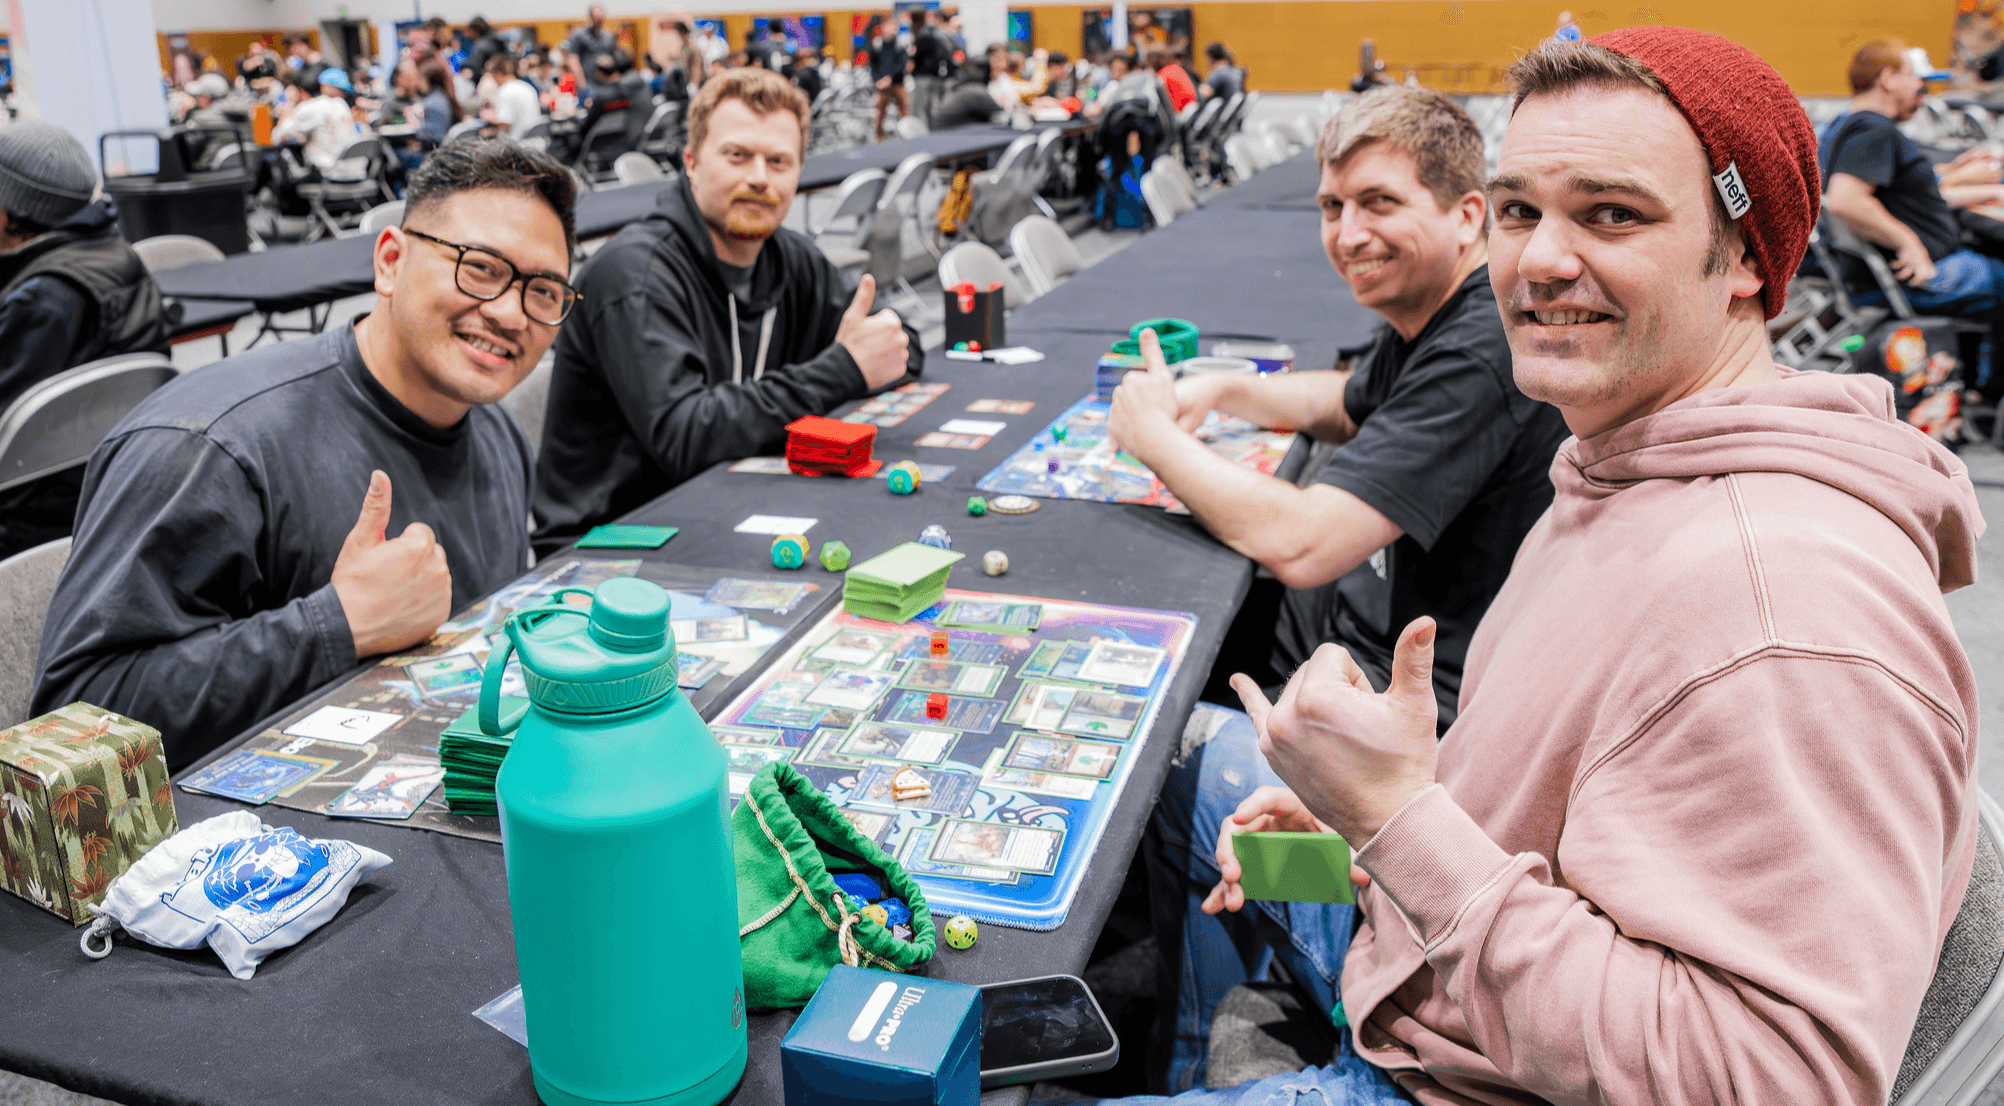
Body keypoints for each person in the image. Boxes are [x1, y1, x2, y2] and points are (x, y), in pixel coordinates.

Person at [1114, 28, 1982, 1106]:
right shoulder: (1618, 457)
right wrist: (1378, 821)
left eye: (1611, 213)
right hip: (1437, 954)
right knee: (1194, 778)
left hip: (1458, 1077)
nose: (1537, 260)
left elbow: (1773, 1080)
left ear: (1751, 256)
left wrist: (1400, 825)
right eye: (1521, 211)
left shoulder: (1783, 607)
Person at [1116, 85, 1567, 1091]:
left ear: (1468, 214)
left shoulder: (1481, 350)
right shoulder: (1441, 314)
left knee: (1176, 752)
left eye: (1376, 203)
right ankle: (1254, 991)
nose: (1346, 233)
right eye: (1331, 207)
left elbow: (1306, 540)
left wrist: (1149, 432)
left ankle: (1210, 1043)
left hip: (1445, 759)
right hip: (1424, 712)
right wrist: (1226, 388)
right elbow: (1347, 402)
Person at [33, 139, 579, 769]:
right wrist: (336, 624)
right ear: (391, 262)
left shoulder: (497, 434)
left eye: (543, 291)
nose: (511, 312)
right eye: (480, 267)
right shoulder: (209, 447)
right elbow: (68, 722)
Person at [532, 68, 922, 555]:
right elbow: (687, 439)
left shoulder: (790, 258)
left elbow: (900, 343)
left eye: (778, 161)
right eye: (737, 156)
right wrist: (843, 369)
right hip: (616, 541)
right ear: (691, 162)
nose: (759, 178)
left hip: (729, 505)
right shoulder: (636, 275)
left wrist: (877, 349)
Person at [0, 122, 168, 560]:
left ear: (8, 211)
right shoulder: (114, 253)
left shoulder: (44, 299)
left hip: (33, 506)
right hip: (113, 480)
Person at [1822, 37, 2004, 383]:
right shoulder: (1874, 130)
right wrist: (1908, 241)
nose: (1923, 87)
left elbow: (1901, 190)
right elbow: (1846, 200)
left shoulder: (1845, 127)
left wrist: (1959, 175)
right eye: (1914, 77)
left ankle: (1981, 388)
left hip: (1878, 277)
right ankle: (1988, 393)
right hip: (1917, 279)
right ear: (1888, 78)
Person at [272, 68, 362, 173]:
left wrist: (290, 103)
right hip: (354, 172)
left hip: (330, 174)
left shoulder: (311, 107)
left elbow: (276, 137)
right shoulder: (342, 105)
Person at [565, 5, 619, 101]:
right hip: (588, 83)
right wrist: (582, 84)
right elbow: (573, 59)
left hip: (606, 83)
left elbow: (615, 59)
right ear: (590, 17)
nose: (599, 21)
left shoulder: (608, 36)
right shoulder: (578, 35)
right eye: (596, 18)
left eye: (601, 19)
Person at [481, 54, 544, 137]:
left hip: (518, 145)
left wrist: (488, 116)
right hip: (536, 142)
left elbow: (505, 123)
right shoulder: (527, 87)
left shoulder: (505, 91)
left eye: (493, 76)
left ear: (498, 74)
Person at [869, 18, 911, 142]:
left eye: (895, 26)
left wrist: (890, 78)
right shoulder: (877, 45)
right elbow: (873, 66)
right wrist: (877, 80)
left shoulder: (900, 45)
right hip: (882, 85)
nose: (893, 29)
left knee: (904, 111)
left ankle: (908, 136)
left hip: (897, 83)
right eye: (891, 26)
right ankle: (879, 137)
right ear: (883, 27)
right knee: (880, 113)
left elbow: (901, 65)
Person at [910, 9, 953, 127]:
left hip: (923, 77)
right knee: (931, 109)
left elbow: (914, 57)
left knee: (919, 109)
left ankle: (921, 140)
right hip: (936, 77)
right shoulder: (936, 34)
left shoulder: (922, 36)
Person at [412, 56, 462, 146]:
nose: (417, 83)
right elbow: (395, 119)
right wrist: (400, 120)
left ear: (429, 80)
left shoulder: (430, 102)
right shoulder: (444, 96)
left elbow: (433, 136)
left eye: (420, 79)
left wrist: (415, 126)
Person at [463, 17, 507, 84]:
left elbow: (475, 67)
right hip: (502, 77)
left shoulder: (480, 45)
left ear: (476, 30)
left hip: (487, 80)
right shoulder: (497, 38)